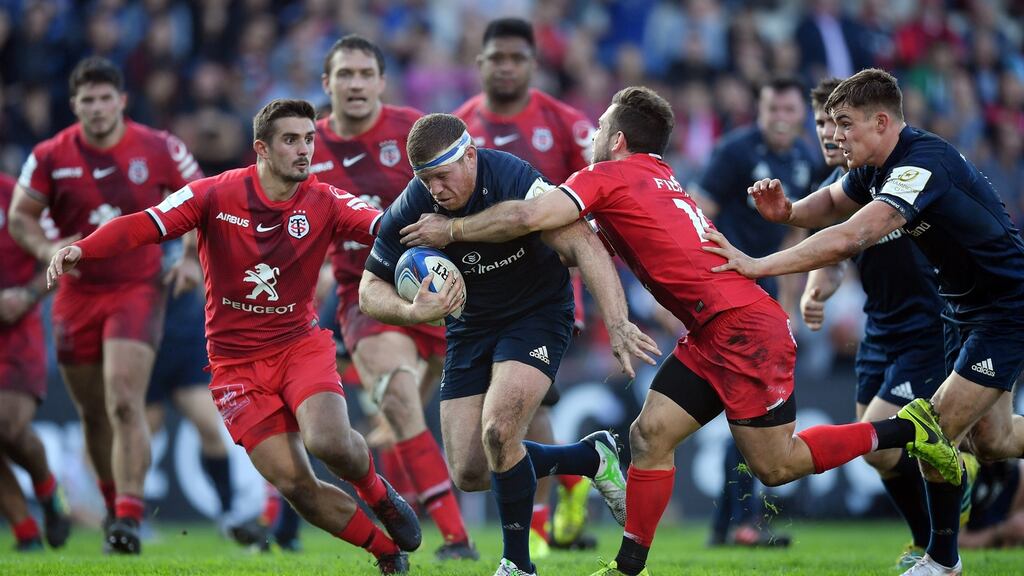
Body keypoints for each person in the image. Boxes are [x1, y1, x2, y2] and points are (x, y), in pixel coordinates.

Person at [397, 86, 959, 576]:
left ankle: (907, 431)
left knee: (777, 465)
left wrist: (453, 230)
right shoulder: (657, 175)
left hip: (743, 328)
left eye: (600, 126)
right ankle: (628, 567)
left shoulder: (607, 175)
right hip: (713, 330)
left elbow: (526, 217)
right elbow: (575, 244)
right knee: (648, 437)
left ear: (617, 140)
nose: (592, 133)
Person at [47, 98, 420, 574]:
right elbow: (146, 223)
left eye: (309, 139)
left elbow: (386, 226)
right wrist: (83, 249)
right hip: (236, 368)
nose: (304, 150)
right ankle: (387, 554)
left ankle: (379, 495)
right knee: (297, 486)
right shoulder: (212, 195)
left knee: (328, 440)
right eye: (291, 140)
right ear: (260, 148)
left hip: (298, 346)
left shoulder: (325, 199)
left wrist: (445, 232)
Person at [705, 68, 1024, 576]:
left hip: (1003, 306)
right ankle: (938, 550)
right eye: (830, 124)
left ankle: (942, 561)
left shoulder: (921, 163)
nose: (834, 136)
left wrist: (758, 263)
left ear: (881, 122)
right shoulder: (874, 166)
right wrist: (788, 212)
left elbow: (850, 236)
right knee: (993, 441)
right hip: (959, 308)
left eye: (845, 124)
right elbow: (832, 202)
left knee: (933, 427)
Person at [359, 113, 659, 576]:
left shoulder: (513, 177)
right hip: (469, 327)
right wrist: (412, 311)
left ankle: (516, 564)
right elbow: (369, 290)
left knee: (500, 432)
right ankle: (590, 456)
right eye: (425, 179)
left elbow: (583, 241)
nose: (435, 189)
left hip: (535, 315)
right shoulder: (414, 205)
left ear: (470, 156)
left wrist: (618, 324)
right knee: (471, 472)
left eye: (442, 175)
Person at [8, 56, 201, 553]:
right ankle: (116, 508)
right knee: (94, 412)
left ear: (121, 100)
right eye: (86, 100)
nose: (96, 108)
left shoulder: (161, 148)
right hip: (76, 294)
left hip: (137, 287)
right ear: (75, 105)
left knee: (122, 397)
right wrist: (47, 250)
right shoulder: (50, 155)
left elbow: (201, 204)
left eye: (104, 98)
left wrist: (187, 259)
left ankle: (131, 517)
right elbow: (21, 217)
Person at [312, 34, 475, 560]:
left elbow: (465, 188)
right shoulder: (306, 145)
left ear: (381, 81)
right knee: (402, 402)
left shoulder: (414, 130)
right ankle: (456, 540)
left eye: (365, 74)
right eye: (345, 74)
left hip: (443, 284)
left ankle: (399, 477)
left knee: (418, 418)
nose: (355, 83)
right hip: (366, 293)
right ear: (327, 83)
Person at [454, 17, 600, 553]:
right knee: (524, 412)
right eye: (498, 58)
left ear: (533, 65)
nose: (507, 67)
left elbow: (601, 185)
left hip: (549, 291)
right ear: (481, 63)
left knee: (527, 405)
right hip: (482, 295)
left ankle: (536, 526)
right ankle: (570, 478)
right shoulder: (462, 127)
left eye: (517, 58)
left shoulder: (564, 123)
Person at [798, 77, 946, 568]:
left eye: (835, 122)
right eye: (819, 122)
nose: (826, 133)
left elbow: (844, 241)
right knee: (881, 450)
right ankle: (927, 543)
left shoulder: (902, 173)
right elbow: (833, 251)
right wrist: (815, 287)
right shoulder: (834, 191)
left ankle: (942, 532)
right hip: (880, 328)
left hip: (931, 324)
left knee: (881, 440)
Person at [693, 76, 818, 549]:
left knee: (747, 410)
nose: (782, 119)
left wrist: (787, 303)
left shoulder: (805, 159)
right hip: (728, 293)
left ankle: (729, 528)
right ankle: (739, 525)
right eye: (773, 110)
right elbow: (698, 214)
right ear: (760, 110)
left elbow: (794, 236)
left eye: (790, 110)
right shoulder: (734, 152)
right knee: (750, 411)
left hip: (765, 298)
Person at [0, 171, 71, 551]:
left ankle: (47, 490)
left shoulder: (16, 197)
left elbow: (62, 258)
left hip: (14, 336)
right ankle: (26, 534)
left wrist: (26, 296)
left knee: (7, 426)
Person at [960, 454, 1024, 549]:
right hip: (975, 535)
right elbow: (953, 540)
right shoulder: (963, 468)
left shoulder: (1013, 469)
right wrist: (998, 532)